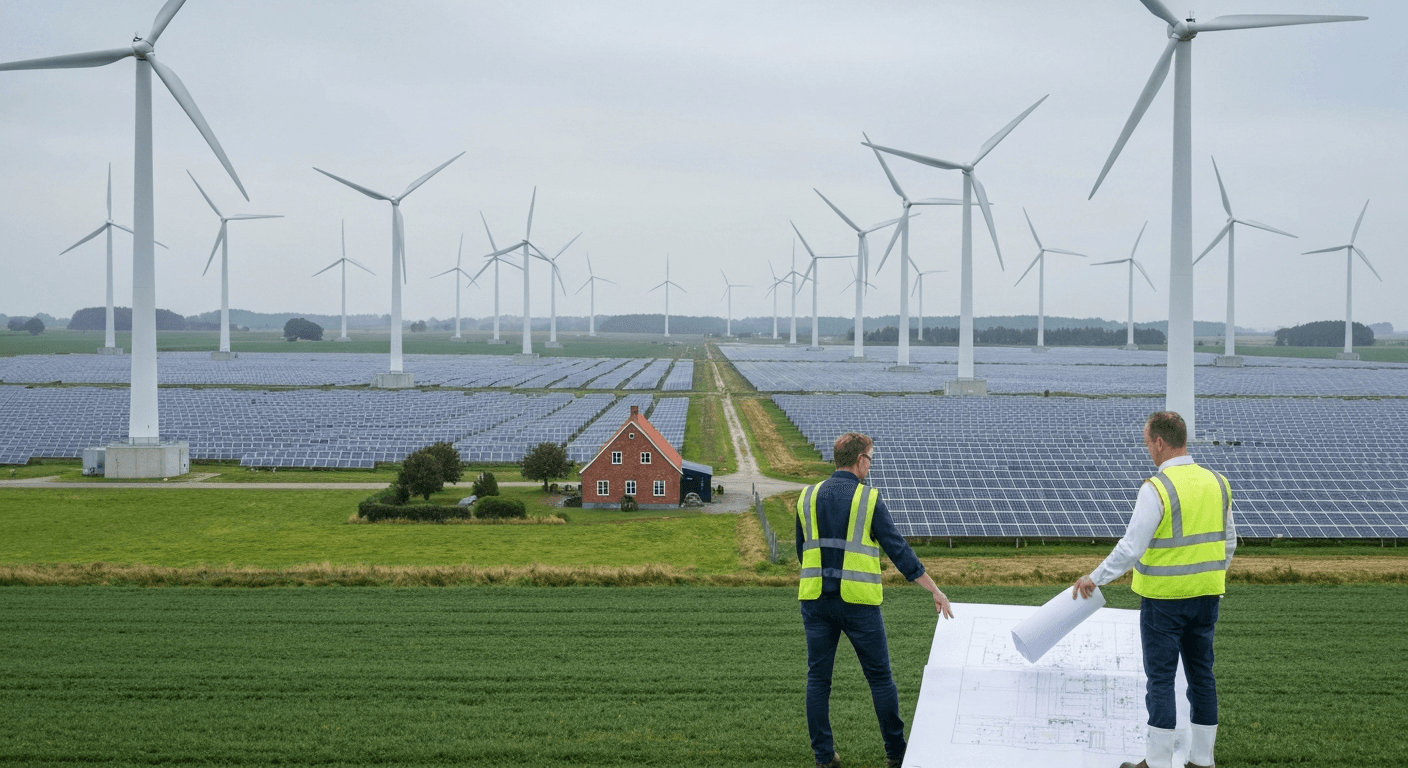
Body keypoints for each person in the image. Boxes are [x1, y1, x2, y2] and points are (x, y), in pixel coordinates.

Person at [1072, 411, 1235, 768]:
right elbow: (1229, 542)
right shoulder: (1218, 482)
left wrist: (1094, 578)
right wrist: (1209, 576)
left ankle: (1158, 763)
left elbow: (1131, 547)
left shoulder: (1157, 488)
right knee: (1202, 676)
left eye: (1147, 443)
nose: (1148, 450)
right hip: (1207, 596)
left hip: (1164, 601)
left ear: (1160, 442)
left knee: (1160, 679)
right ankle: (1203, 760)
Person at [796, 431, 954, 768]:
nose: (871, 464)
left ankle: (824, 757)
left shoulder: (806, 497)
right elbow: (898, 549)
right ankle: (896, 754)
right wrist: (934, 589)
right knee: (880, 678)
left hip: (815, 601)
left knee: (818, 680)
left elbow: (802, 551)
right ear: (859, 460)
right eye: (870, 458)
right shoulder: (867, 499)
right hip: (858, 603)